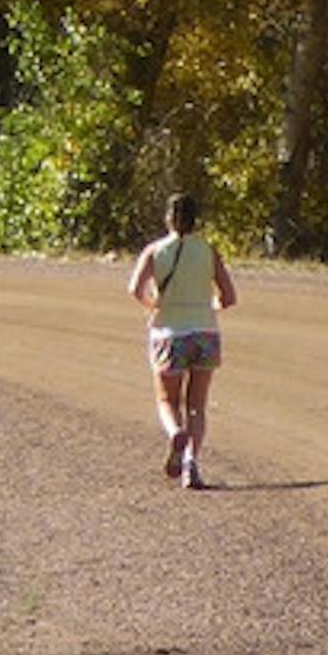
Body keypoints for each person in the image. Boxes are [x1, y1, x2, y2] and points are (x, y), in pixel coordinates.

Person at [128, 192, 237, 490]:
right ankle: (191, 464)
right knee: (197, 406)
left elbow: (135, 289)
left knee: (167, 400)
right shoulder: (209, 251)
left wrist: (155, 306)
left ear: (168, 218)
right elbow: (228, 297)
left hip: (168, 332)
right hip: (205, 332)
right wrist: (208, 306)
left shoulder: (154, 251)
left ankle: (175, 433)